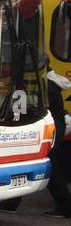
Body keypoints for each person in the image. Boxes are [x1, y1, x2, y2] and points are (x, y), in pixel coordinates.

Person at [45, 70, 71, 217]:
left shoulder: (47, 86)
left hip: (52, 130)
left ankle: (66, 206)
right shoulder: (52, 84)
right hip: (57, 128)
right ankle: (10, 203)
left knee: (52, 170)